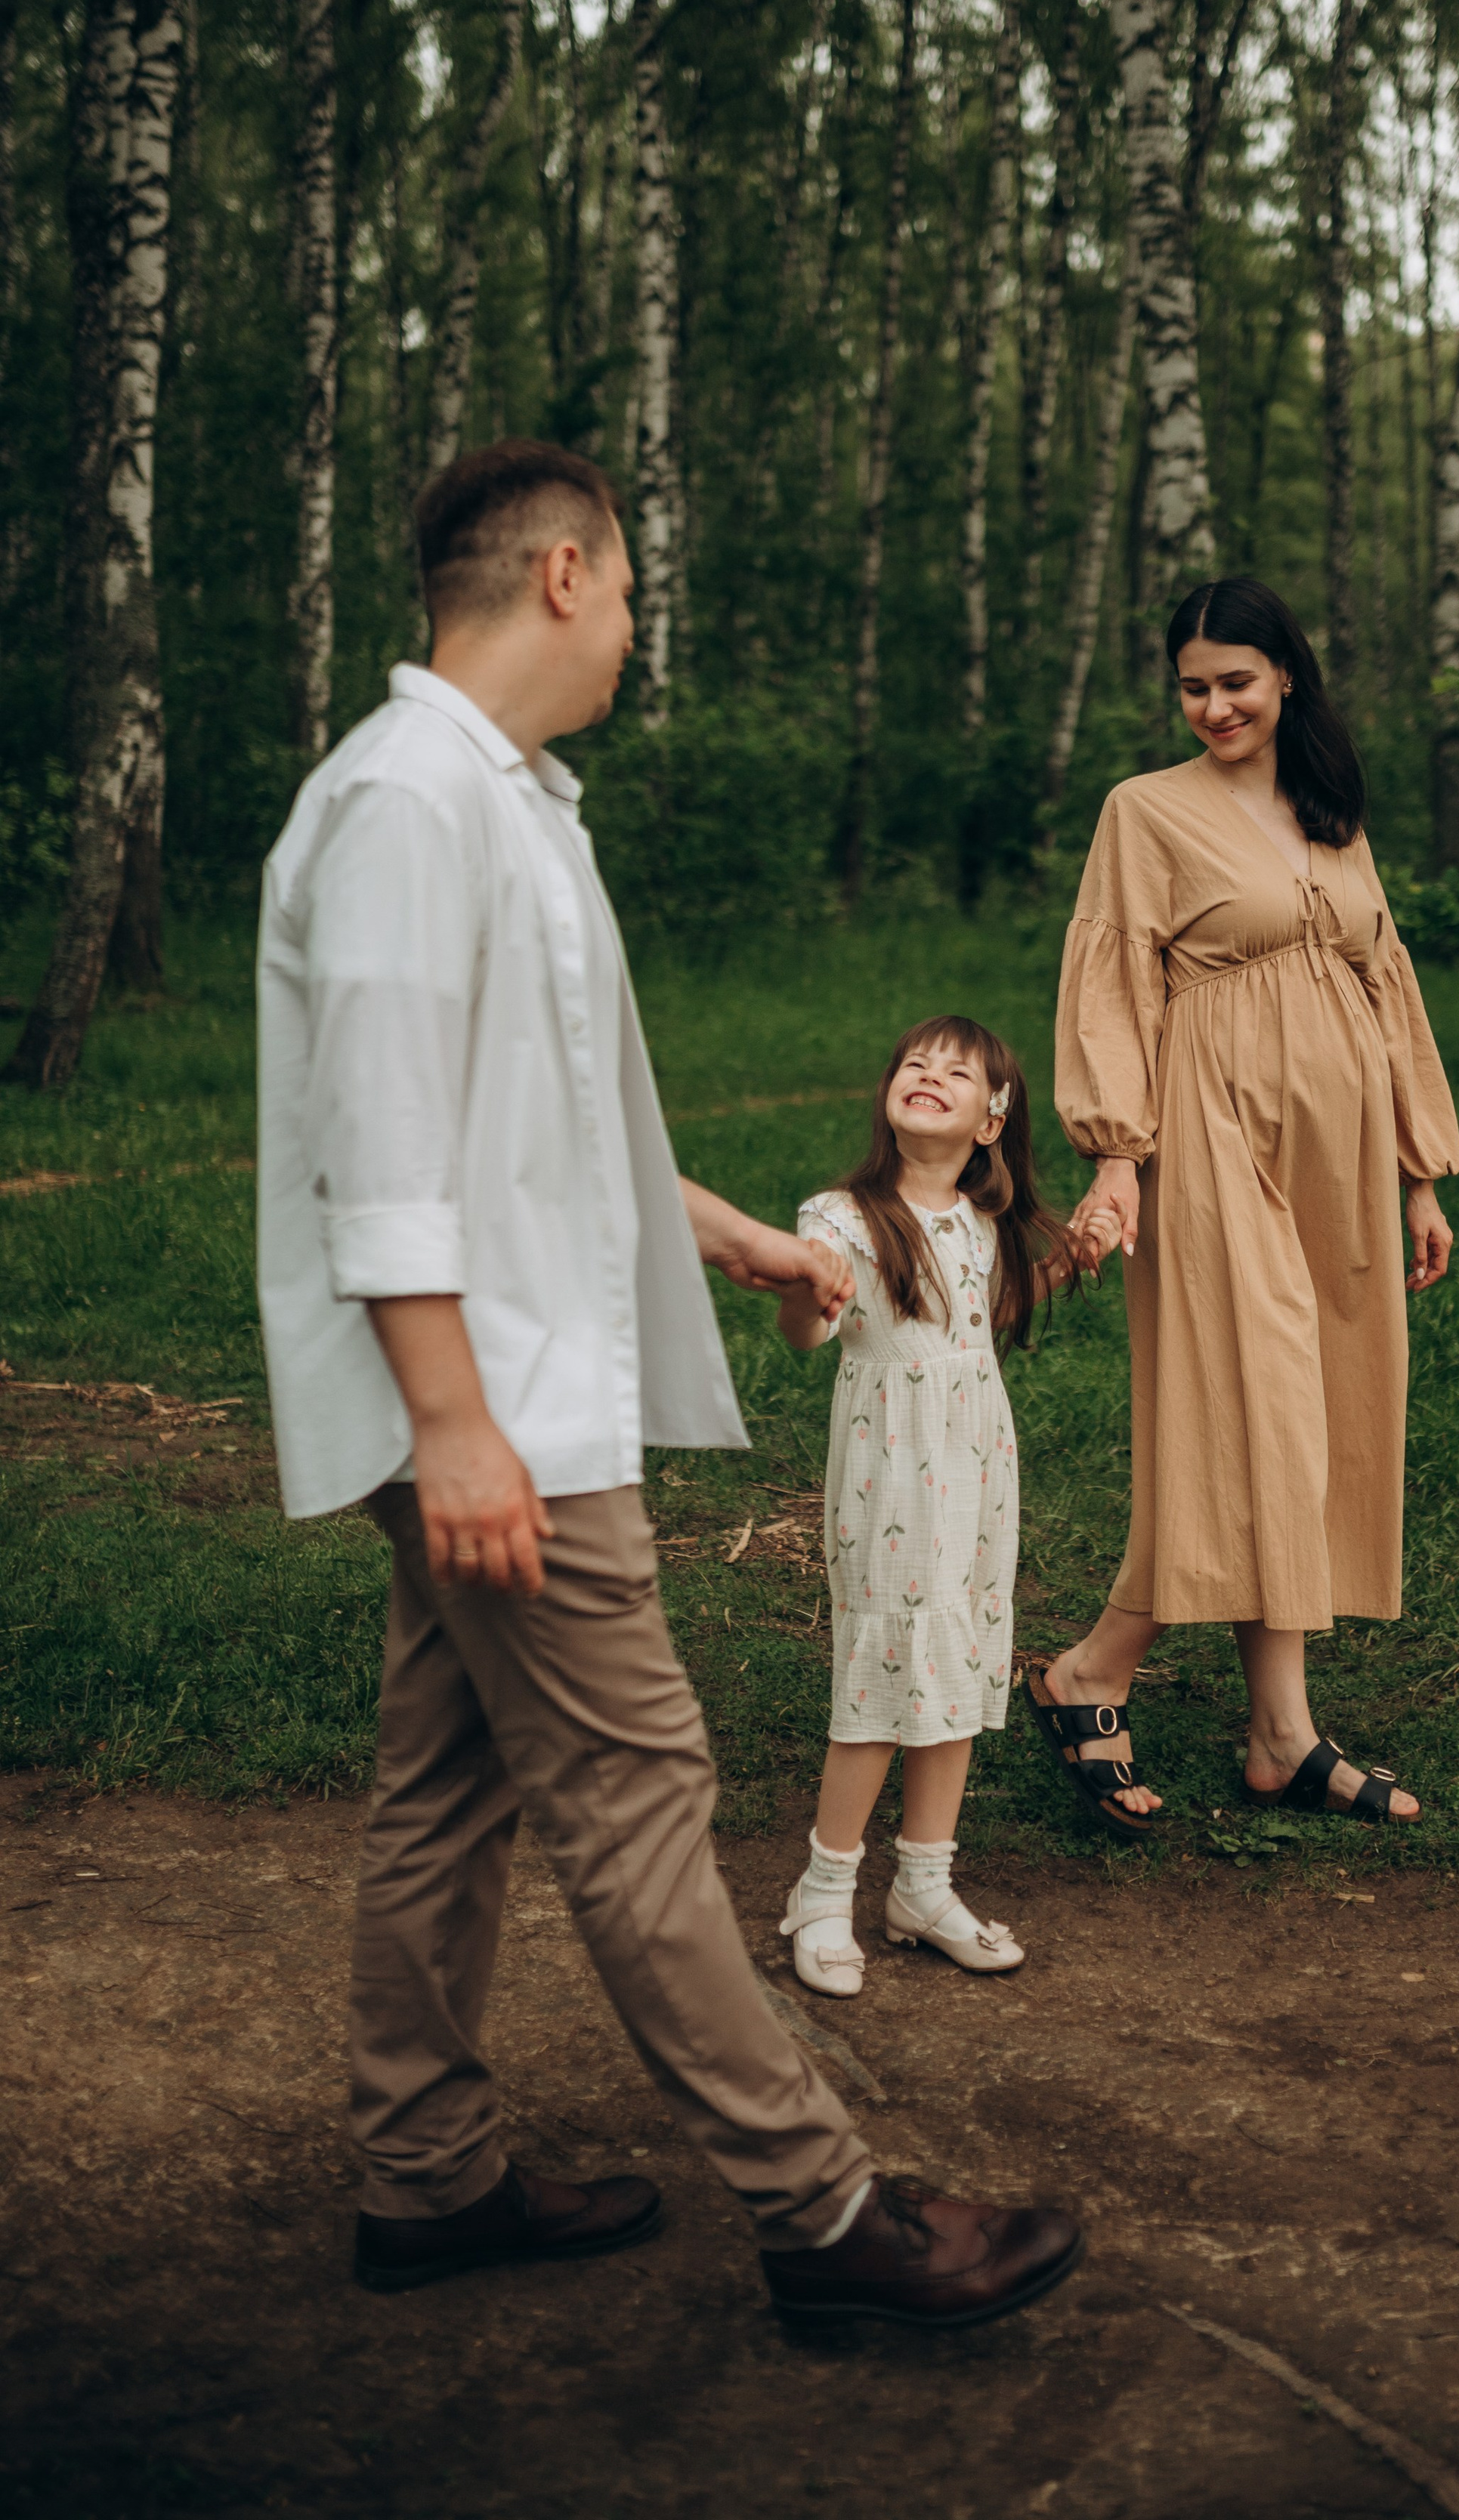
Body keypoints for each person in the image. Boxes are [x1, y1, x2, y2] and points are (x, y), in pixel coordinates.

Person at [255, 437, 1082, 2330]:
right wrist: (454, 1423)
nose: (633, 626)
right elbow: (381, 1142)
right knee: (640, 1790)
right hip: (499, 1408)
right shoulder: (407, 802)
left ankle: (425, 2175)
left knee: (447, 1787)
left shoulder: (516, 807)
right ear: (560, 574)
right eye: (627, 591)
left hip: (507, 1379)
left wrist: (735, 1236)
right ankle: (829, 2220)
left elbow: (552, 1123)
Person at [1025, 576, 1459, 1836]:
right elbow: (1110, 975)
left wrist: (1419, 1169)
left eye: (1237, 681)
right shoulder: (1145, 811)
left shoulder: (1329, 807)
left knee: (1319, 1406)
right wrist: (1118, 1156)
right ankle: (1091, 1671)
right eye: (1193, 686)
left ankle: (1281, 1732)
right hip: (1213, 1131)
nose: (1214, 705)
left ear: (1286, 681)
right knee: (1250, 1398)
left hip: (1342, 1153)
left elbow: (1390, 982)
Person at [771, 1018, 1081, 1996]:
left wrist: (1083, 1254)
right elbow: (804, 1337)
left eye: (958, 1072)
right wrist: (801, 1286)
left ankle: (923, 1884)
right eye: (916, 1064)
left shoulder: (982, 1226)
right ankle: (822, 1895)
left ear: (993, 1120)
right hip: (891, 1474)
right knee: (882, 1668)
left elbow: (976, 1321)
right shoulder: (840, 1217)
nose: (930, 1076)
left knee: (957, 1658)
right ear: (889, 1095)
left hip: (977, 1470)